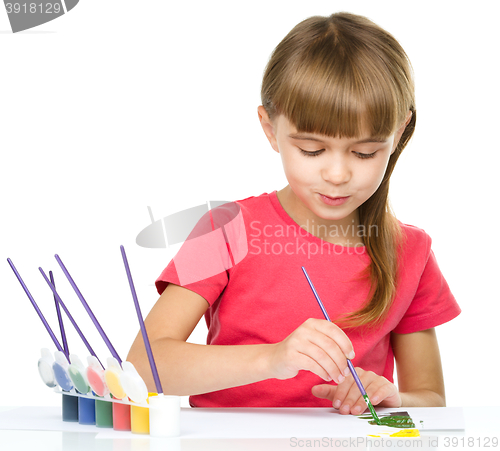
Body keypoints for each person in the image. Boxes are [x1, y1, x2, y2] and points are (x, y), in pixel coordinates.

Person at [127, 11, 460, 414]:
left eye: (365, 152)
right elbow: (144, 366)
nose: (337, 174)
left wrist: (393, 398)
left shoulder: (412, 251)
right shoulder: (223, 229)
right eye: (312, 150)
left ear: (401, 132)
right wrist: (273, 359)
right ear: (270, 129)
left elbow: (431, 399)